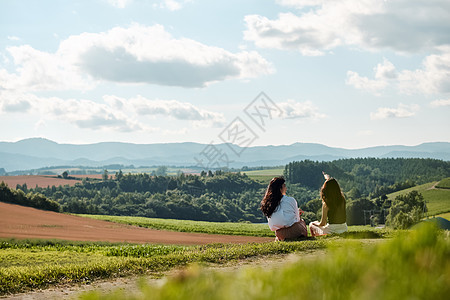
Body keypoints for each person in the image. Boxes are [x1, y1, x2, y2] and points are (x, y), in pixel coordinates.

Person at [260, 177, 307, 241]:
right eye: (284, 186)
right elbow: (297, 219)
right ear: (280, 188)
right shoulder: (290, 200)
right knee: (302, 221)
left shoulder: (268, 204)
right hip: (294, 231)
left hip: (279, 233)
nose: (286, 188)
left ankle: (280, 239)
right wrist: (298, 214)